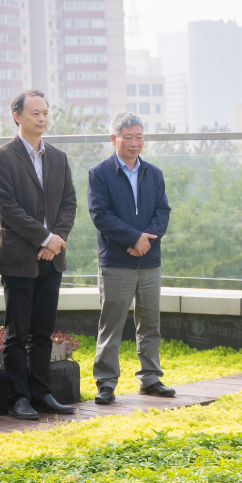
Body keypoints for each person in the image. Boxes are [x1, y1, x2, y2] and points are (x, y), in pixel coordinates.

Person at [0, 89, 78, 421]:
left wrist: (56, 241)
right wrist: (45, 238)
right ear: (17, 116)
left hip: (52, 258)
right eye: (35, 113)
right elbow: (7, 208)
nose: (42, 118)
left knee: (42, 332)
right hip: (19, 258)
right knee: (17, 333)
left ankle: (42, 393)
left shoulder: (58, 157)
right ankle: (19, 397)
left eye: (45, 113)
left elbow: (69, 203)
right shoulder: (0, 157)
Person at [87, 112, 173, 405]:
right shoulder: (99, 173)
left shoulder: (154, 173)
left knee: (150, 323)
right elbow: (100, 215)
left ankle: (150, 378)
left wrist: (146, 241)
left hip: (149, 260)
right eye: (128, 137)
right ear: (114, 139)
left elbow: (163, 212)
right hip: (116, 261)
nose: (135, 143)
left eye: (139, 137)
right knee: (111, 325)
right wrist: (133, 238)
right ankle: (106, 382)